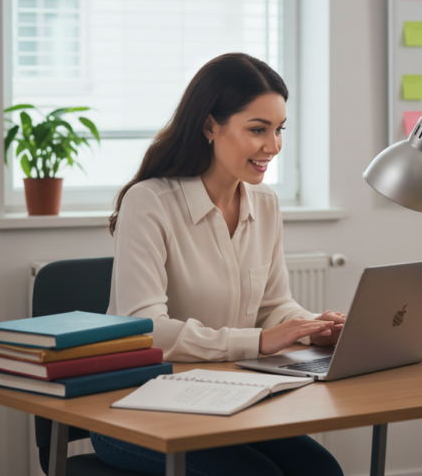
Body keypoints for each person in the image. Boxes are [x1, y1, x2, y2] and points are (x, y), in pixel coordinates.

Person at [97, 53, 345, 476]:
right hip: (134, 409)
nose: (273, 146)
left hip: (229, 397)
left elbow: (274, 305)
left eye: (279, 129)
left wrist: (311, 328)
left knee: (322, 470)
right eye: (258, 129)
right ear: (210, 126)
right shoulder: (150, 202)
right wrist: (259, 342)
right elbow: (146, 330)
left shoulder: (265, 203)